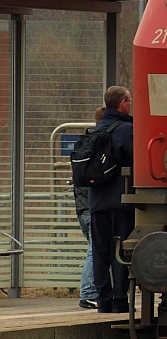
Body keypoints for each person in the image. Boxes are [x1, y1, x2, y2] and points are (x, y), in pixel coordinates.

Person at [89, 86, 135, 314]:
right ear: (123, 103)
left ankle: (103, 301)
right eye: (130, 100)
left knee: (100, 252)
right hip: (120, 200)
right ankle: (119, 301)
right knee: (120, 251)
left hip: (96, 202)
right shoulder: (126, 130)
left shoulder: (96, 130)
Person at [73, 106, 106, 309]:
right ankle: (88, 292)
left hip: (81, 208)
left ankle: (92, 291)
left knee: (94, 248)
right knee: (95, 250)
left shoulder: (84, 142)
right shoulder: (100, 144)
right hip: (92, 207)